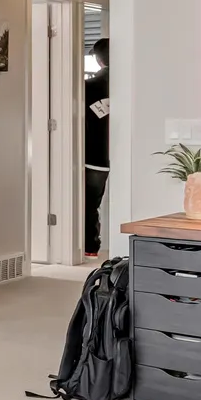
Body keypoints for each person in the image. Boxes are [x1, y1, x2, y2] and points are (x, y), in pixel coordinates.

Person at [84, 38, 111, 255]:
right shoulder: (133, 85)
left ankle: (90, 247)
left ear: (98, 60)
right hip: (128, 155)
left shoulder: (87, 87)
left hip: (94, 155)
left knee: (90, 205)